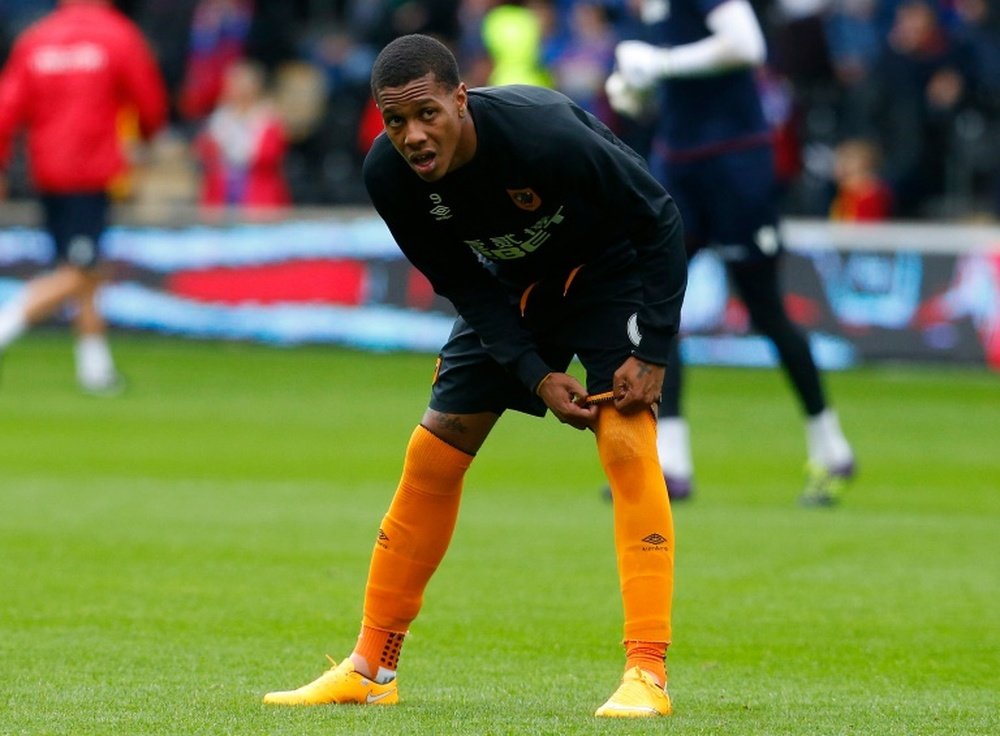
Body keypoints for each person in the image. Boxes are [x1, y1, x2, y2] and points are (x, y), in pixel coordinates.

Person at [263, 33, 687, 718]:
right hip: (514, 289)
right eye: (394, 120)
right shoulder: (388, 177)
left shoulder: (544, 134)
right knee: (433, 448)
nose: (412, 134)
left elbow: (659, 217)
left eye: (427, 112)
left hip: (612, 272)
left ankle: (647, 675)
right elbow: (464, 282)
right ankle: (371, 668)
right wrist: (534, 373)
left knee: (625, 440)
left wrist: (657, 348)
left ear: (460, 100)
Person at [606, 0, 856, 506]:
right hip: (677, 163)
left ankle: (830, 446)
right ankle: (671, 462)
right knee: (658, 306)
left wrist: (659, 65)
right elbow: (665, 84)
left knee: (765, 310)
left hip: (736, 164)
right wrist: (632, 90)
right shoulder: (642, 11)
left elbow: (745, 45)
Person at [0, 0, 168, 394]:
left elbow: (7, 106)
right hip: (91, 170)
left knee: (79, 269)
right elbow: (148, 98)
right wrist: (146, 136)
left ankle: (95, 368)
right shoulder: (117, 34)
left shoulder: (36, 37)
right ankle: (5, 324)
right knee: (82, 269)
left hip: (47, 171)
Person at [194, 58, 291, 211]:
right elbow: (206, 152)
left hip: (256, 191)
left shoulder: (266, 118)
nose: (239, 89)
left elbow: (268, 156)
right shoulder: (220, 118)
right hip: (222, 191)